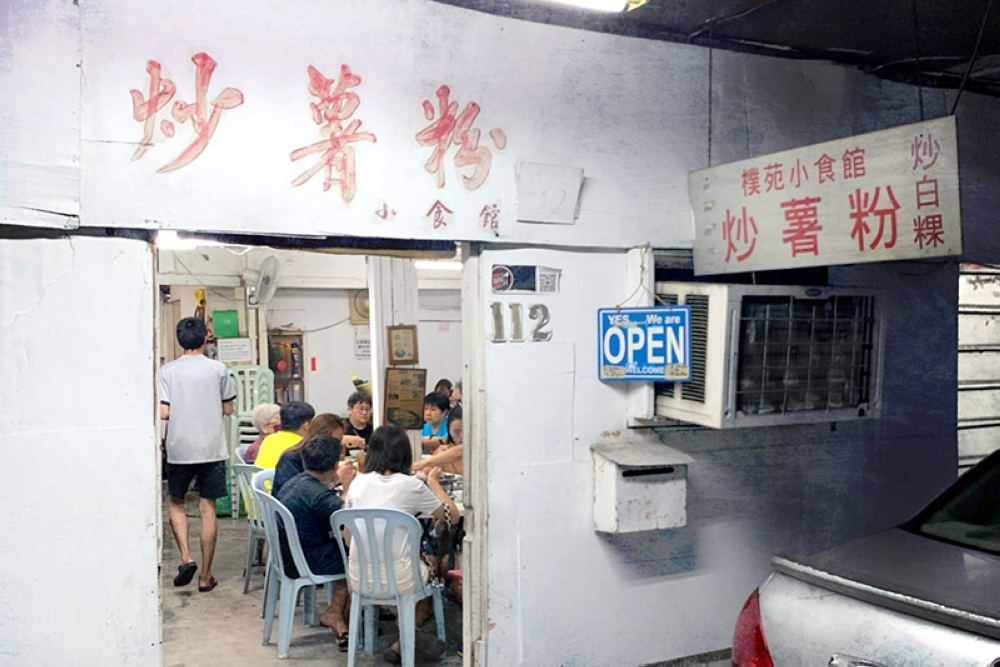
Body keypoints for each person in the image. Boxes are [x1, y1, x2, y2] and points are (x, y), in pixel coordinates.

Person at [345, 425, 459, 664]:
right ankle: (405, 639)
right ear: (406, 454)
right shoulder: (412, 486)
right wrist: (432, 481)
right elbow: (451, 516)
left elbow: (348, 537)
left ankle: (402, 636)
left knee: (407, 563)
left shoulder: (357, 483)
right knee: (430, 564)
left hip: (358, 576)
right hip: (400, 578)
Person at [159, 316, 237, 593]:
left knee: (177, 503)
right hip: (211, 449)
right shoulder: (219, 369)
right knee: (208, 508)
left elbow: (164, 411)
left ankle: (186, 558)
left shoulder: (167, 371)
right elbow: (228, 409)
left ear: (180, 340)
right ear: (206, 337)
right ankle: (205, 576)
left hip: (180, 449)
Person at [275, 435, 358, 651]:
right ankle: (344, 616)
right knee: (358, 557)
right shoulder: (318, 496)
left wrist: (333, 481)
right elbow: (346, 516)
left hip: (290, 555)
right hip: (309, 561)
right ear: (333, 464)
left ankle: (338, 613)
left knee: (348, 551)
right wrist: (348, 486)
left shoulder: (298, 482)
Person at [273, 413, 346, 495]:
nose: (337, 446)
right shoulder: (291, 459)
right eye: (335, 442)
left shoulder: (323, 459)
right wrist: (336, 479)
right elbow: (302, 495)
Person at [254, 401, 314, 470]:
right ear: (306, 425)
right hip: (281, 480)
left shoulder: (269, 439)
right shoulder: (301, 444)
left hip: (257, 480)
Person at [412, 404, 463, 475]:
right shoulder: (441, 452)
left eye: (466, 432)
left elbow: (460, 451)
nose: (462, 436)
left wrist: (422, 464)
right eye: (456, 432)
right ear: (448, 430)